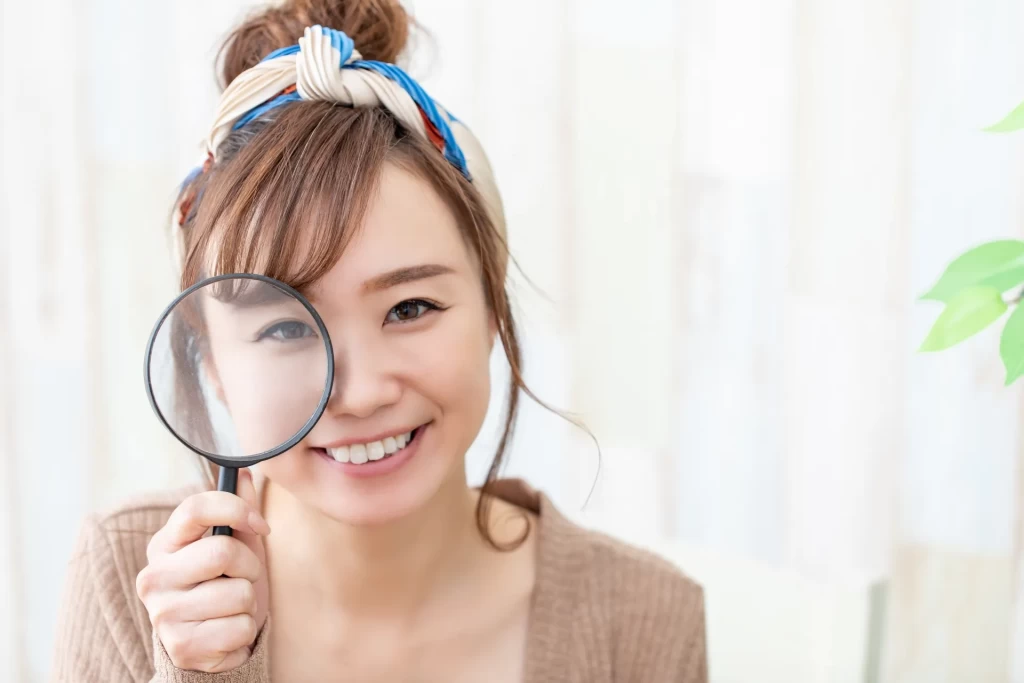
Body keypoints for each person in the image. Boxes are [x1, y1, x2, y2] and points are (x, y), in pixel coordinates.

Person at [50, 0, 707, 681]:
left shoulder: (644, 619)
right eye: (283, 327)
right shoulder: (127, 580)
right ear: (214, 362)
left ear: (490, 310)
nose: (359, 393)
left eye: (410, 306)